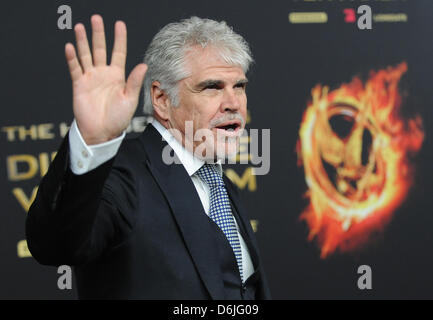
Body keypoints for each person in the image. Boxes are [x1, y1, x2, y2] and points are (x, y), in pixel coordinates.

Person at [26, 14, 271, 299]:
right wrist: (91, 141)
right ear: (162, 100)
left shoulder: (220, 184)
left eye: (239, 86)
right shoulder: (120, 175)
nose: (233, 103)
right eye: (212, 87)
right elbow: (56, 244)